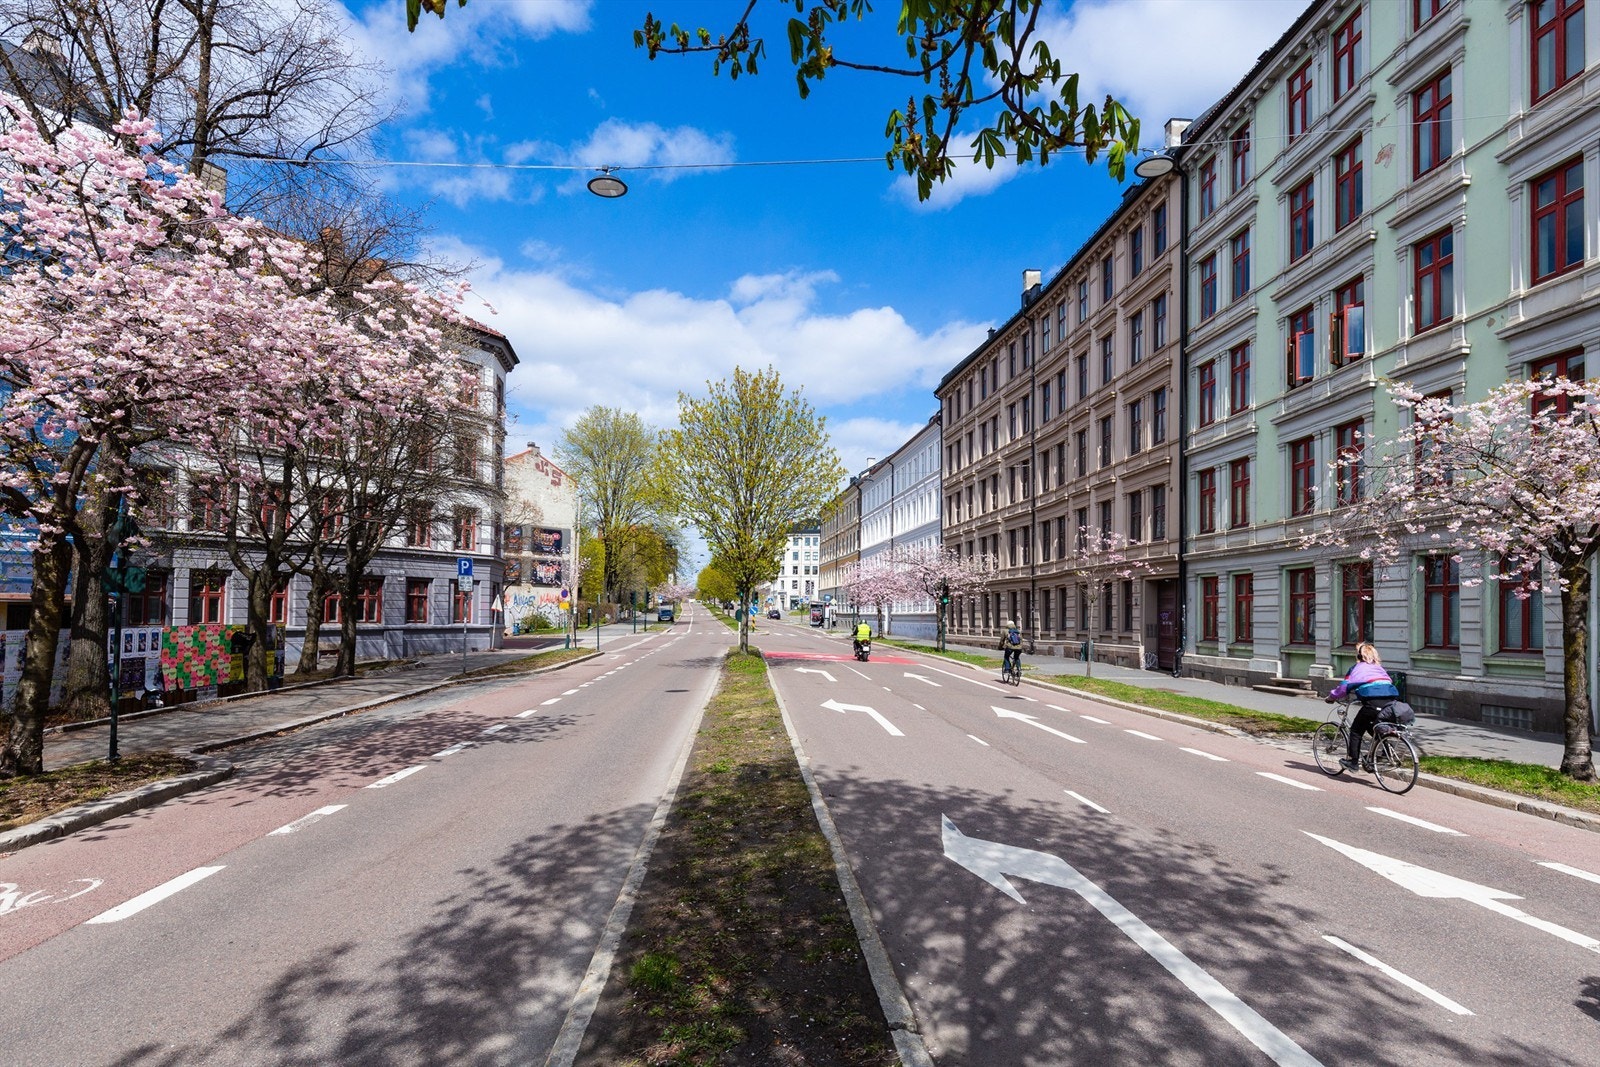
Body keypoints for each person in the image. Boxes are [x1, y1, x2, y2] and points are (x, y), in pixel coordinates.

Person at [1325, 641, 1401, 771]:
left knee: (1355, 731)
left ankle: (1353, 762)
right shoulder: (1379, 668)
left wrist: (1331, 697)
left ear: (1360, 656)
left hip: (1373, 703)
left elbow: (1344, 688)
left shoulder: (1356, 668)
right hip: (1391, 703)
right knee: (1374, 728)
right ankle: (1381, 755)